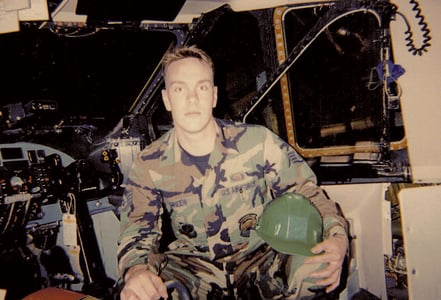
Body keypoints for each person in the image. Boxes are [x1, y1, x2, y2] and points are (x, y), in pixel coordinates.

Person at [117, 45, 349, 300]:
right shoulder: (149, 162)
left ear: (214, 96)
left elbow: (307, 192)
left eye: (202, 87)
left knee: (318, 267)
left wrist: (337, 236)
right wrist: (136, 270)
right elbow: (138, 227)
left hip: (260, 260)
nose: (192, 98)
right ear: (167, 99)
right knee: (138, 292)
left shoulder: (257, 142)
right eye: (179, 89)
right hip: (194, 269)